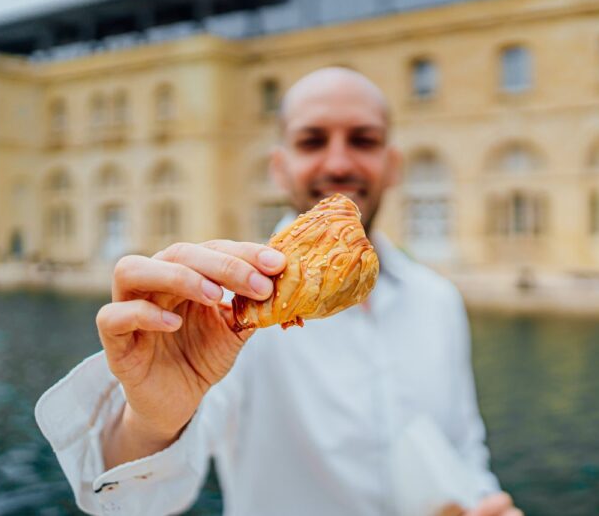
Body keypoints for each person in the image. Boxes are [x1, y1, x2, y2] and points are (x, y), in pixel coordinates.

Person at [36, 67, 522, 516]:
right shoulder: (226, 308)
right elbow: (143, 496)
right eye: (312, 141)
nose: (338, 161)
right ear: (279, 167)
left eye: (363, 140)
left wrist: (484, 500)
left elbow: (462, 447)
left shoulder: (437, 299)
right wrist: (151, 420)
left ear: (392, 164)